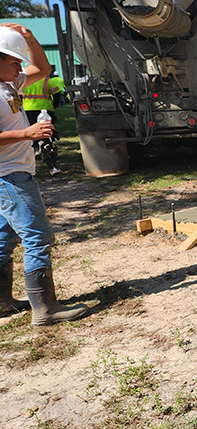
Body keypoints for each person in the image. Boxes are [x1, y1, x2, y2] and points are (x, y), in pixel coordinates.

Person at [0, 23, 88, 325]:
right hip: (9, 177)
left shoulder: (10, 86)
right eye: (13, 60)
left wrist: (29, 37)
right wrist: (27, 133)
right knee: (38, 236)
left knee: (3, 238)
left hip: (11, 176)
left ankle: (1, 302)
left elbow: (43, 67)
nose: (19, 65)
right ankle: (46, 310)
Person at [22, 65, 65, 175]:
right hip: (45, 111)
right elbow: (56, 95)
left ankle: (35, 150)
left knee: (30, 135)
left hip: (28, 111)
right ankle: (53, 163)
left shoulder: (24, 82)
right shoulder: (47, 81)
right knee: (47, 134)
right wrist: (54, 107)